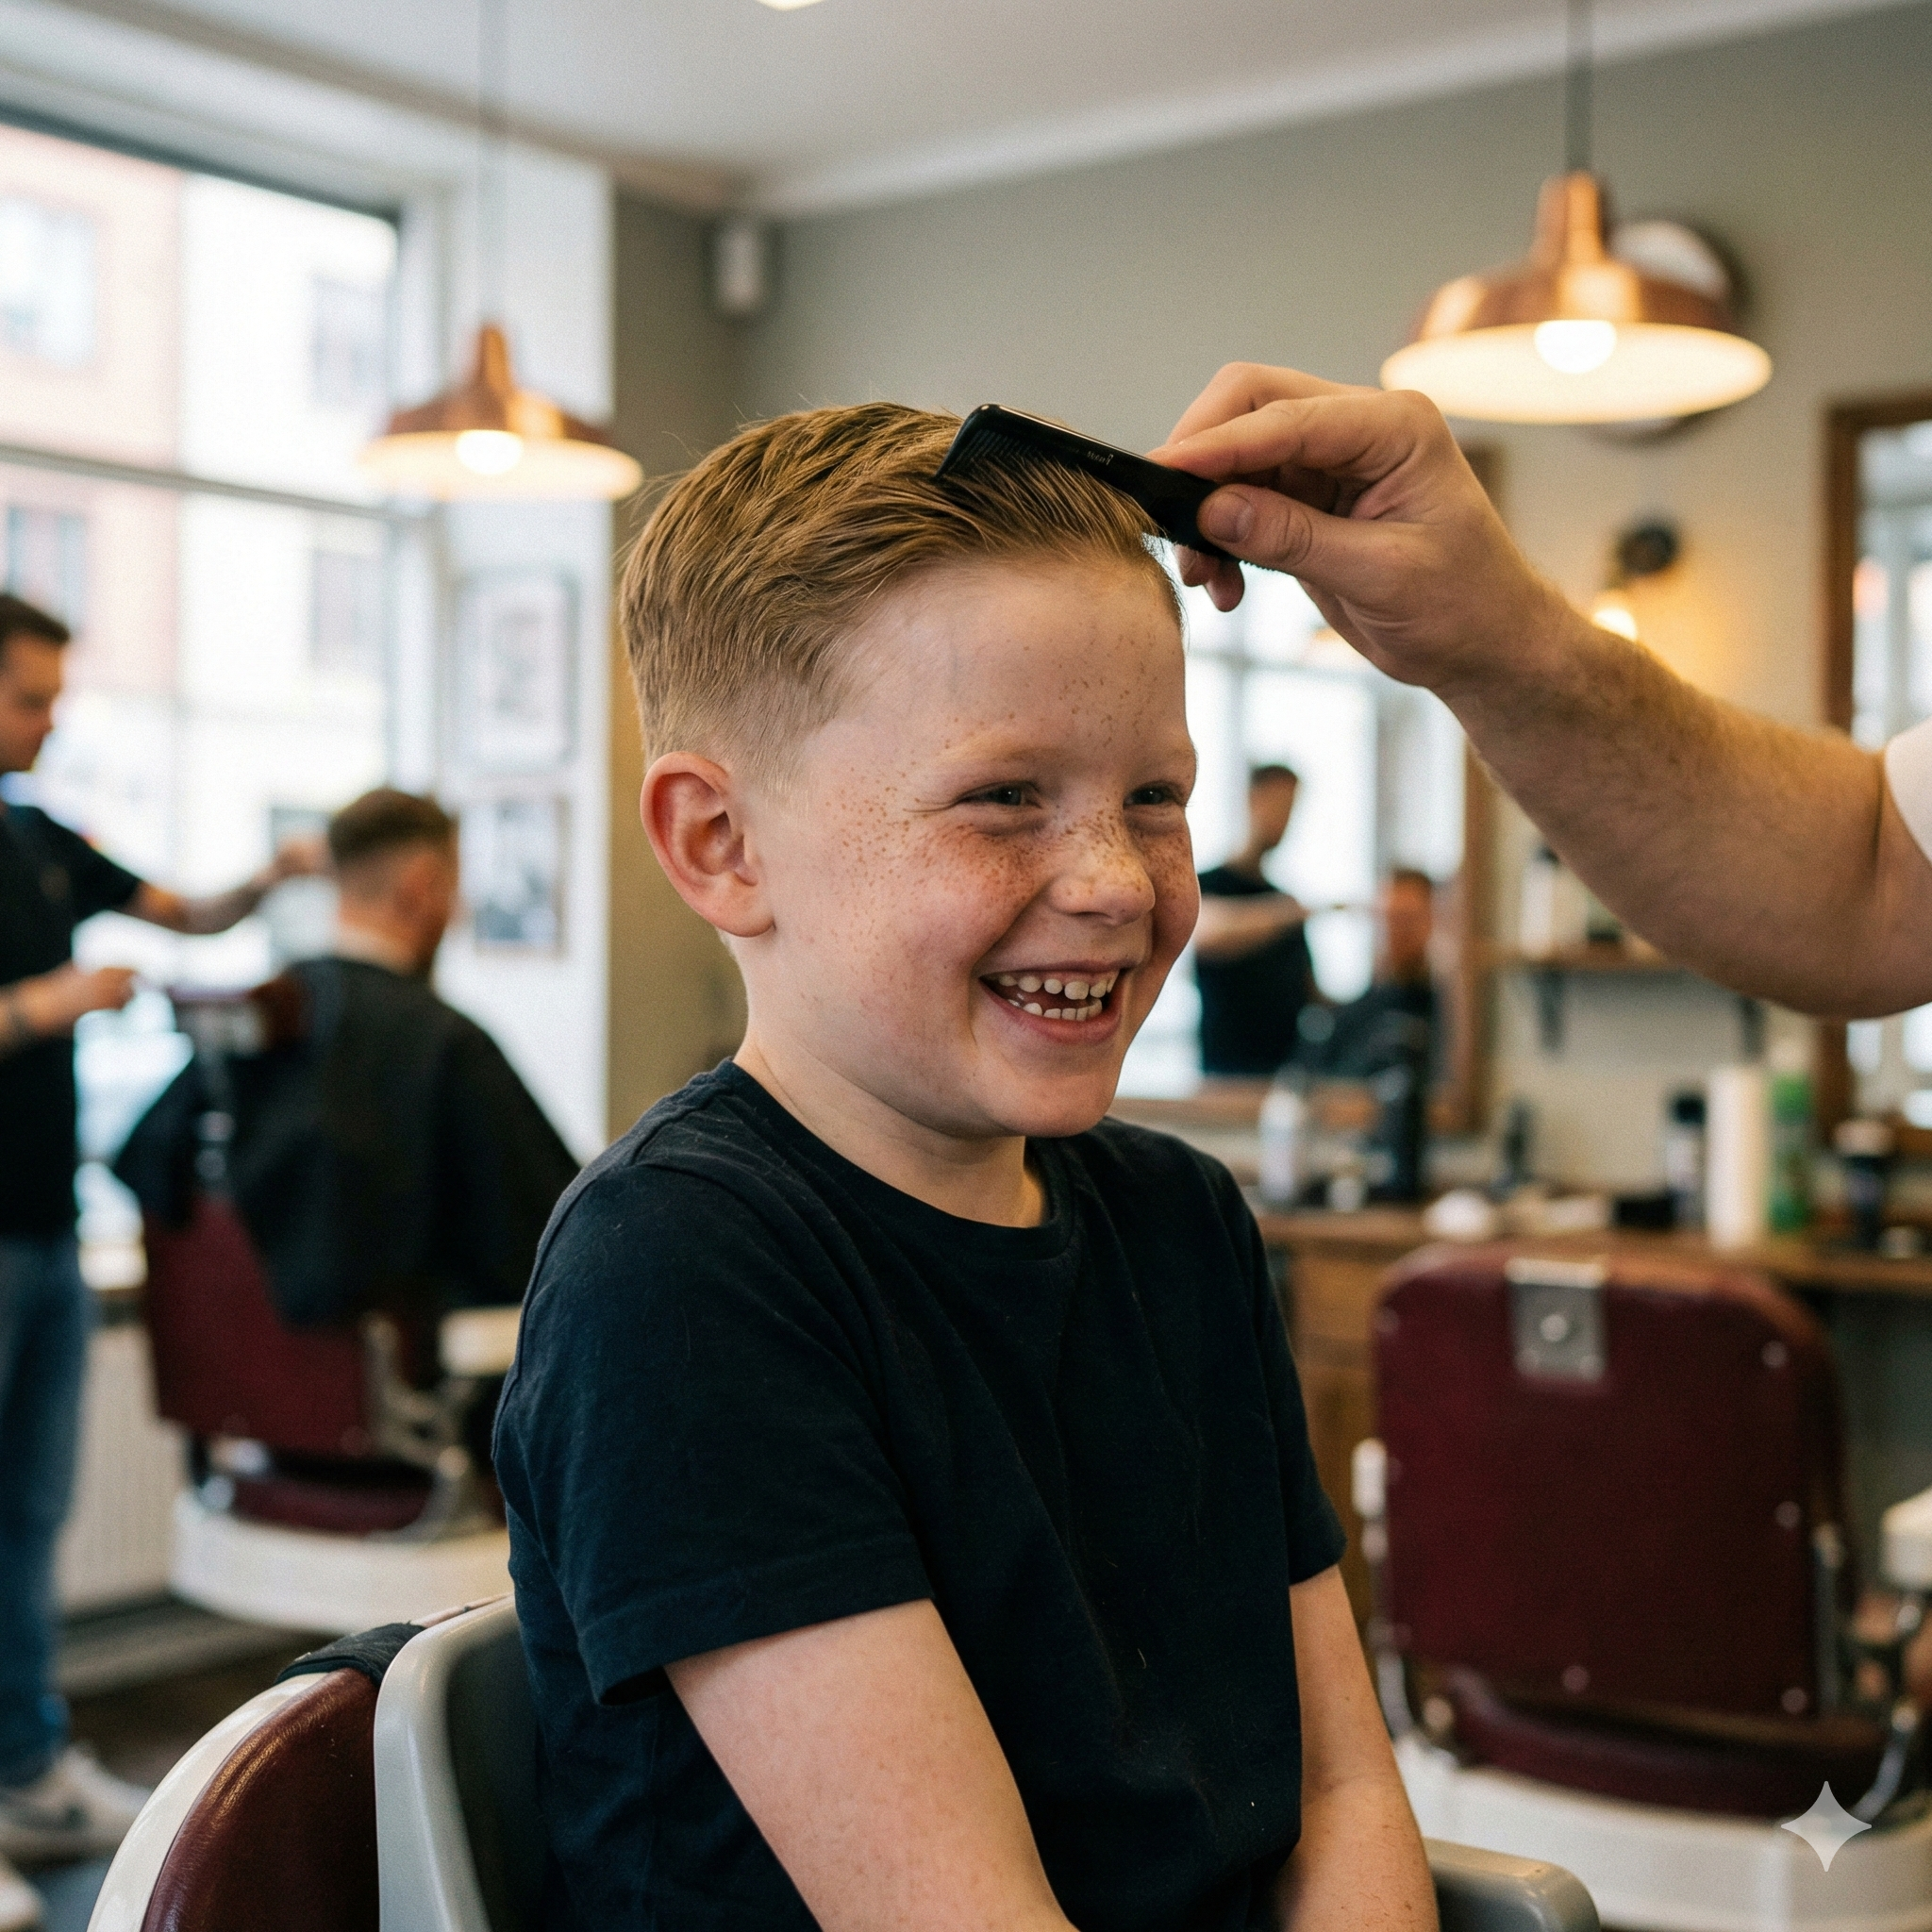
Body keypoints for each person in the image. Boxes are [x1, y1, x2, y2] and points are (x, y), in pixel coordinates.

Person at [493, 405, 1433, 1932]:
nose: (1116, 881)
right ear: (723, 842)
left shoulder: (1181, 1218)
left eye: (1154, 797)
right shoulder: (680, 1275)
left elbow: (1337, 1794)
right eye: (1005, 797)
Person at [1151, 361, 1932, 1022]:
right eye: (1019, 794)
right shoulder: (1228, 888)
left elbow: (1870, 888)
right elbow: (1873, 876)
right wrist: (1502, 643)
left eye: (1150, 795)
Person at [0, 592, 322, 1904]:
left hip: (46, 1233)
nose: (53, 717)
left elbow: (188, 914)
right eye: (31, 696)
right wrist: (48, 1002)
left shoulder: (39, 837)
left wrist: (275, 882)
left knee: (29, 1516)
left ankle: (28, 1769)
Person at [116, 788, 579, 1332]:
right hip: (414, 1384)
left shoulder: (260, 1020)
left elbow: (147, 1162)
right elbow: (562, 1239)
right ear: (424, 886)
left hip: (266, 1397)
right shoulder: (443, 1042)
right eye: (454, 888)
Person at [1193, 764, 1316, 1076]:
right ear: (1251, 800)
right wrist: (1293, 913)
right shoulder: (1208, 884)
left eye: (1291, 809)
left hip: (1283, 1075)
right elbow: (1207, 934)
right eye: (1278, 805)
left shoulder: (1285, 900)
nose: (1284, 820)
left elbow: (1310, 993)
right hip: (1226, 1079)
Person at [1297, 868, 1437, 1079]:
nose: (1394, 932)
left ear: (1433, 921)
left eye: (1406, 919)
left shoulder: (1447, 1012)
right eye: (1387, 918)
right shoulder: (1348, 1017)